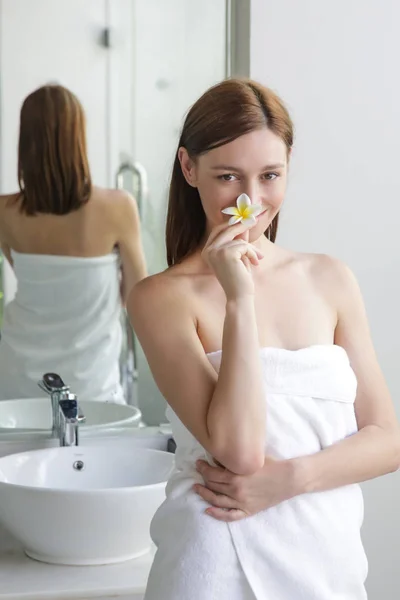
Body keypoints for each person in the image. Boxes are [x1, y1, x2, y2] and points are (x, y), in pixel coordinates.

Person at [129, 78, 400, 599]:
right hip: (213, 561)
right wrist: (240, 300)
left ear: (289, 164)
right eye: (227, 176)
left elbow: (386, 441)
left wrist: (291, 479)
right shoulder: (160, 298)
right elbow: (240, 451)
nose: (250, 202)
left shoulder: (330, 278)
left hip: (326, 561)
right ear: (189, 168)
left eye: (270, 175)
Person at [0, 84, 147, 402]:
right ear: (77, 137)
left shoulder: (4, 211)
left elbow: (37, 283)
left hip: (16, 376)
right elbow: (138, 295)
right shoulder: (118, 207)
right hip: (90, 380)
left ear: (25, 140)